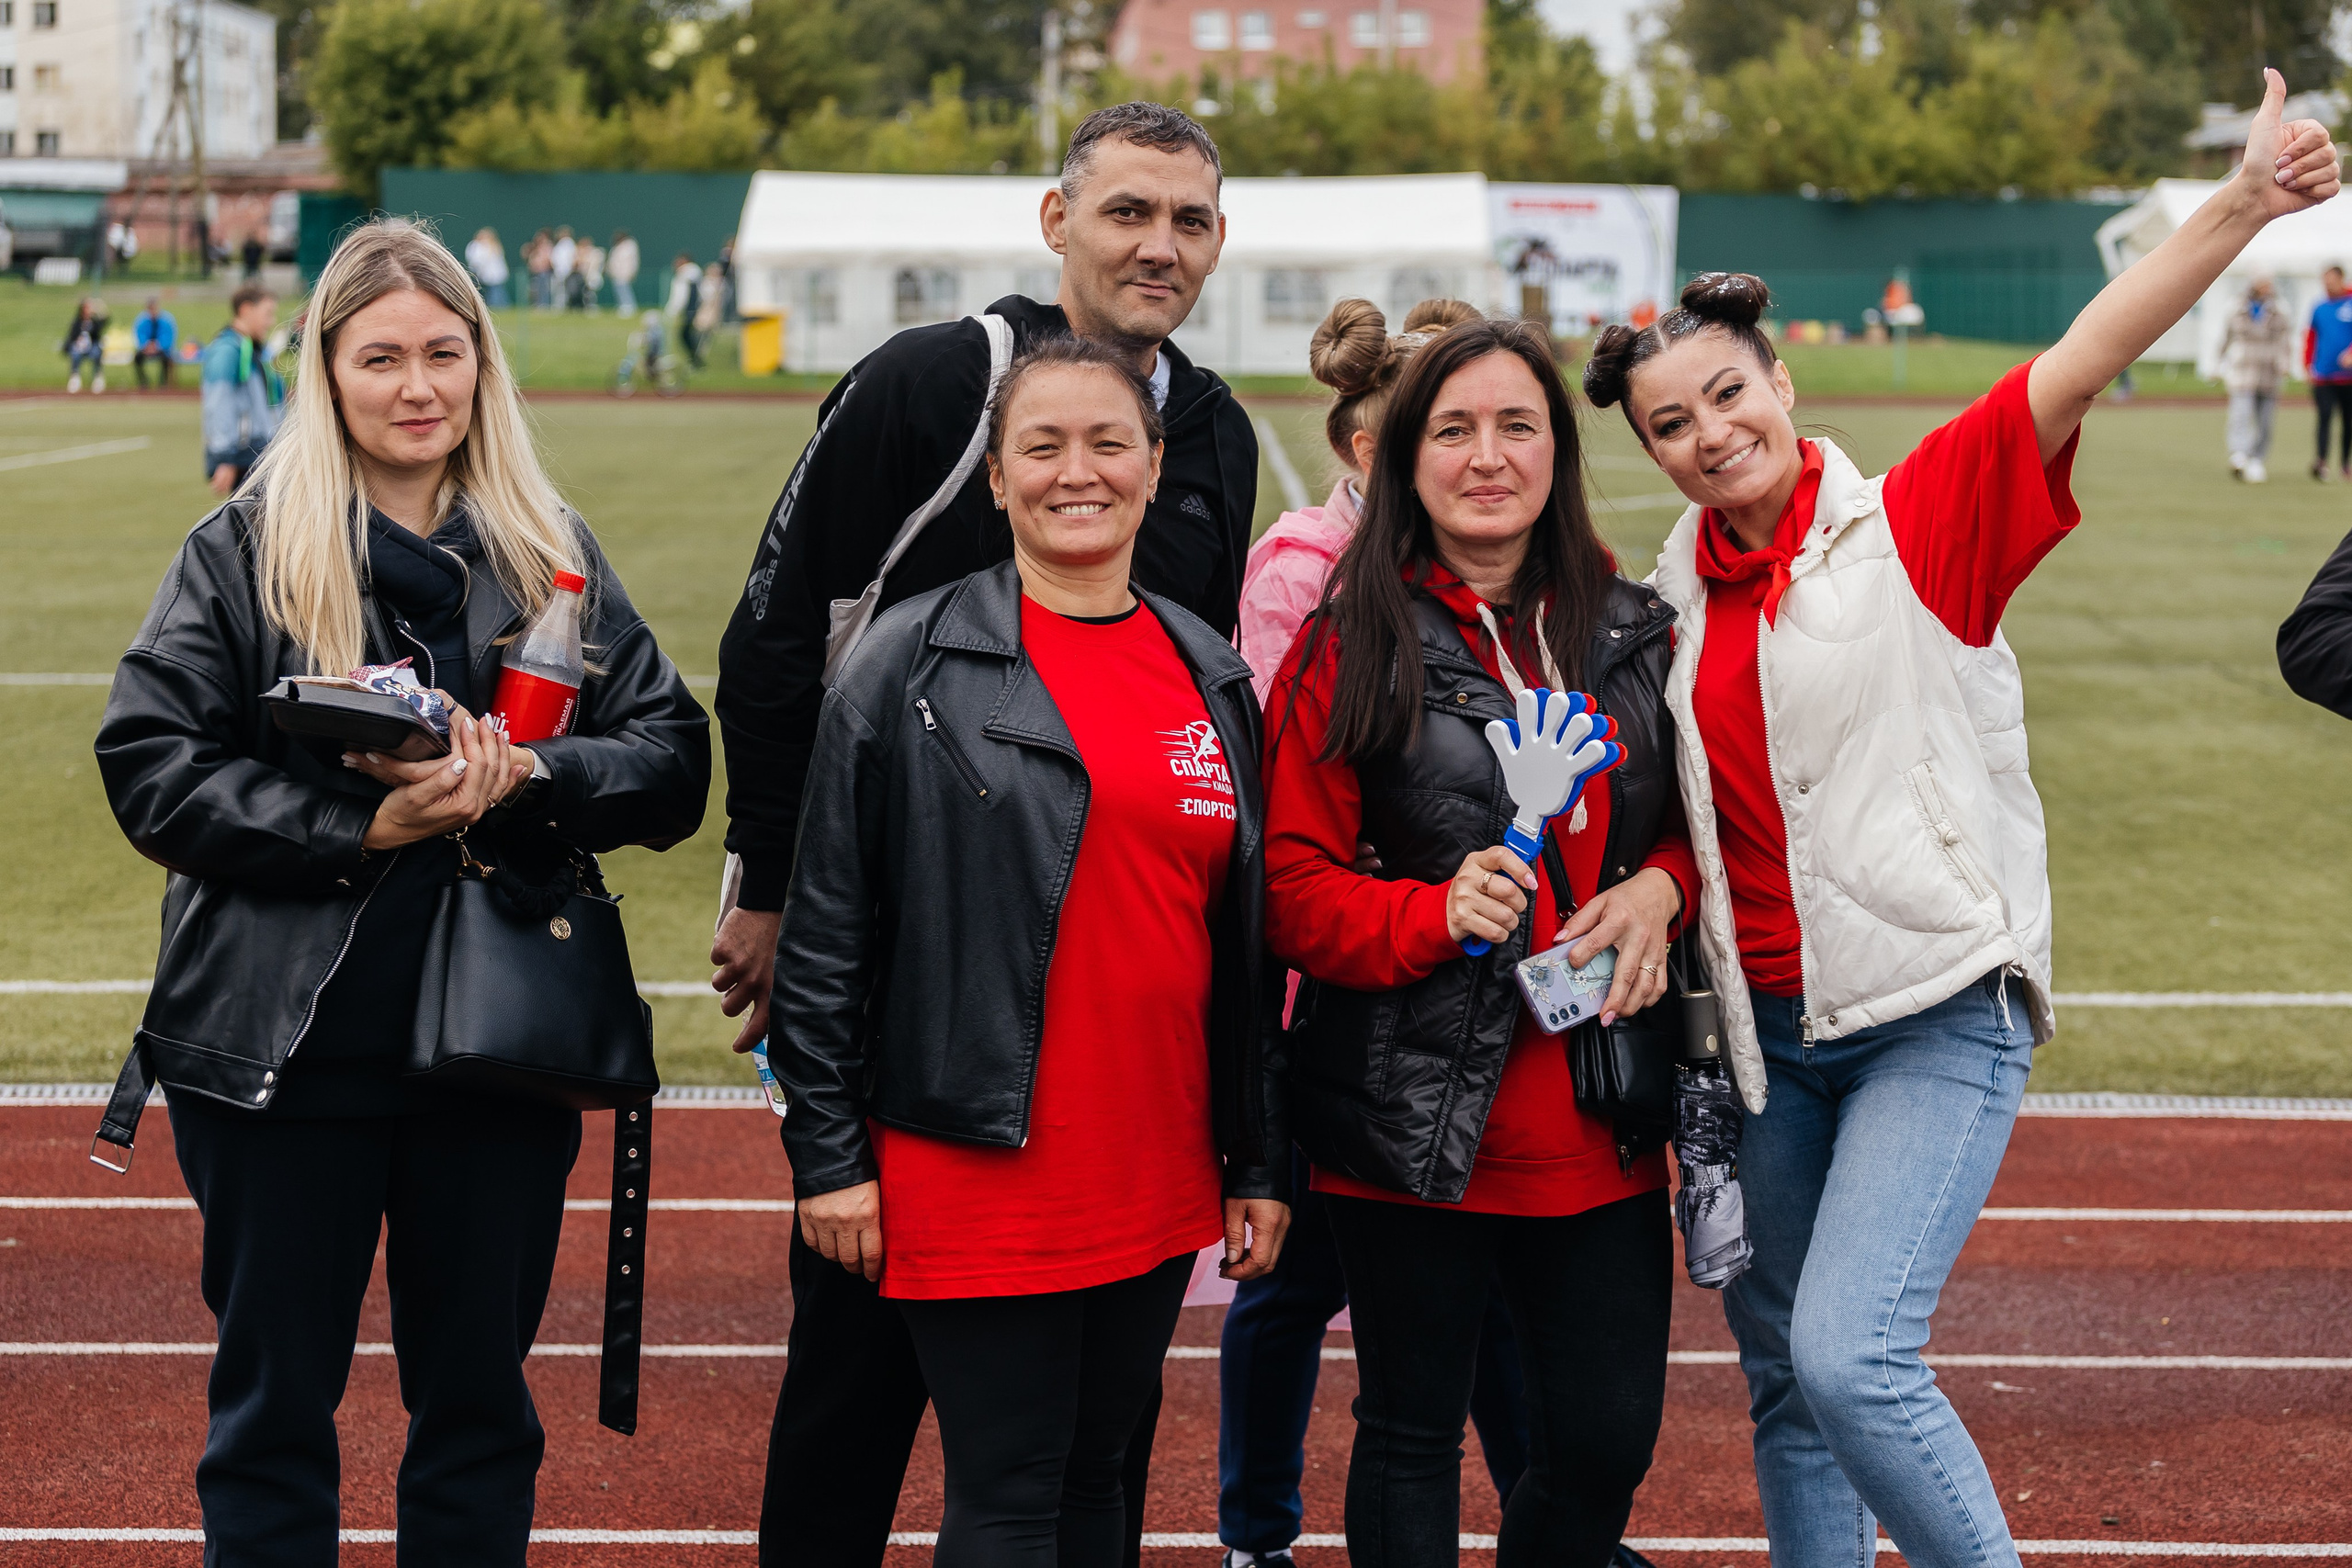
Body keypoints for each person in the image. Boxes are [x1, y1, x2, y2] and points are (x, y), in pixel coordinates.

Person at [1577, 72, 2338, 1568]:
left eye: (1728, 394)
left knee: (1859, 1357)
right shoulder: (1653, 610)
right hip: (1761, 1042)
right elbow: (1685, 825)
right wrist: (1665, 889)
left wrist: (2244, 201)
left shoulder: (1918, 526)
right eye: (1672, 421)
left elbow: (2085, 355)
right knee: (1793, 1384)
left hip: (1931, 1013)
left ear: (1782, 383)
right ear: (1652, 447)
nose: (1709, 433)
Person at [90, 217, 709, 1567]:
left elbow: (671, 759)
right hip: (279, 1055)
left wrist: (526, 773)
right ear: (327, 368)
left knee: (481, 1413)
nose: (416, 384)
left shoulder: (551, 546)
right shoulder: (244, 547)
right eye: (382, 357)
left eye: (445, 351)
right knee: (270, 1416)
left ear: (483, 363)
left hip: (501, 1052)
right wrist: (359, 822)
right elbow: (150, 767)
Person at [713, 99, 1258, 1568]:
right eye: (1129, 210)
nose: (1159, 244)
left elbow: (1190, 682)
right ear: (1057, 220)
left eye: (1190, 220)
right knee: (857, 1373)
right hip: (908, 972)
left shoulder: (1211, 431)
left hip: (1110, 1043)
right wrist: (765, 884)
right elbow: (776, 632)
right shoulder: (932, 381)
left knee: (1087, 1442)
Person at [1264, 315, 1693, 1568]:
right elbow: (1288, 886)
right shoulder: (1353, 636)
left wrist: (1662, 890)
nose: (1486, 455)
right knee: (1409, 1434)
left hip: (1598, 1109)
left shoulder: (1631, 627)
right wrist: (1429, 912)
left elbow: (1687, 833)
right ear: (1405, 456)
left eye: (1517, 424)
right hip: (1408, 1110)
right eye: (1453, 429)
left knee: (1607, 1437)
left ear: (1559, 447)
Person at [1222, 294, 1548, 1568]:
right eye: (1435, 426)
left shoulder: (1513, 568)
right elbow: (1287, 781)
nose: (1471, 456)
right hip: (1340, 981)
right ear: (1376, 442)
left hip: (1473, 986)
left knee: (1486, 1301)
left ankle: (1539, 1513)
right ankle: (1256, 1529)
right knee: (1301, 1278)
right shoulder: (1309, 569)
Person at [201, 284, 284, 497]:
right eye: (267, 314)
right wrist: (224, 457)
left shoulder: (255, 350)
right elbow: (219, 402)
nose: (271, 321)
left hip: (264, 453)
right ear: (246, 310)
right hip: (244, 458)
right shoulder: (228, 351)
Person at [2222, 276, 2295, 481]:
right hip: (2244, 369)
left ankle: (2256, 459)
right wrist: (2218, 362)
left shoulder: (2280, 308)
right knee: (2240, 415)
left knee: (2265, 421)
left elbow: (2286, 339)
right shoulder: (2237, 307)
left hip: (2269, 370)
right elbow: (2225, 336)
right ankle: (2239, 455)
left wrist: (2286, 363)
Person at [2306, 263, 2352, 479]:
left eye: (2331, 279)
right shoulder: (2319, 307)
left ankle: (2345, 464)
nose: (2327, 284)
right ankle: (2321, 462)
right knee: (2324, 418)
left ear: (2341, 279)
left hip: (2348, 377)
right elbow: (2311, 337)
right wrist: (2308, 365)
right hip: (2324, 374)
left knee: (2348, 421)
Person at [62, 296, 109, 394]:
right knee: (75, 353)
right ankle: (75, 378)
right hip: (79, 349)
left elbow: (106, 319)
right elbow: (71, 337)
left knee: (96, 352)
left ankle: (97, 377)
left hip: (92, 347)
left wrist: (99, 307)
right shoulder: (77, 322)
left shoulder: (95, 322)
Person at [667, 254, 705, 368]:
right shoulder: (692, 273)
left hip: (692, 309)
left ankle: (696, 360)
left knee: (687, 334)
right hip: (692, 309)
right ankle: (694, 359)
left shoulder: (688, 273)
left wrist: (672, 311)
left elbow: (681, 295)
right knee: (687, 334)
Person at [132, 297, 178, 389]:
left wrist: (158, 346)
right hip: (146, 349)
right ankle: (144, 382)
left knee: (166, 358)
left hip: (162, 349)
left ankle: (163, 383)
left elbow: (169, 337)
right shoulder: (141, 321)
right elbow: (139, 336)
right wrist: (146, 346)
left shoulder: (167, 320)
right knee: (137, 358)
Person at [465, 226, 511, 309]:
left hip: (495, 274)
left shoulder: (492, 246)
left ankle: (499, 305)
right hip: (488, 274)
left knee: (497, 290)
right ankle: (498, 305)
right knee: (494, 290)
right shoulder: (477, 246)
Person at [608, 229, 640, 315]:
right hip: (617, 274)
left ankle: (629, 306)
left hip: (624, 273)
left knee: (625, 290)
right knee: (619, 290)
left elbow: (631, 262)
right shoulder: (617, 247)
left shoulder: (629, 246)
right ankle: (623, 305)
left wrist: (630, 272)